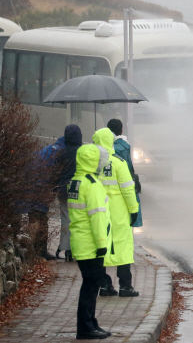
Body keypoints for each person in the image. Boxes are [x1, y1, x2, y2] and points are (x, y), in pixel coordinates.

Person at [67, 144, 112, 340]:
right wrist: (102, 243)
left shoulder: (76, 181)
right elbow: (97, 217)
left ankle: (90, 323)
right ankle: (86, 327)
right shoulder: (92, 184)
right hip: (92, 243)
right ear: (93, 161)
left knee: (90, 283)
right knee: (91, 285)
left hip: (80, 240)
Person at [92, 128, 139, 297]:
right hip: (118, 212)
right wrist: (134, 210)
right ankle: (125, 286)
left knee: (100, 246)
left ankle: (104, 285)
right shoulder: (118, 162)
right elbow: (128, 189)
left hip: (97, 211)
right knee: (123, 246)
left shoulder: (90, 163)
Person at [107, 119, 142, 227]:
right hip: (123, 189)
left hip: (114, 192)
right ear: (121, 130)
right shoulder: (124, 146)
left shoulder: (111, 148)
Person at [56, 124, 83, 261]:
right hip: (79, 191)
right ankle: (78, 248)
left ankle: (67, 250)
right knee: (79, 220)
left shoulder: (61, 153)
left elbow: (56, 173)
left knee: (66, 220)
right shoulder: (83, 152)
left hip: (63, 190)